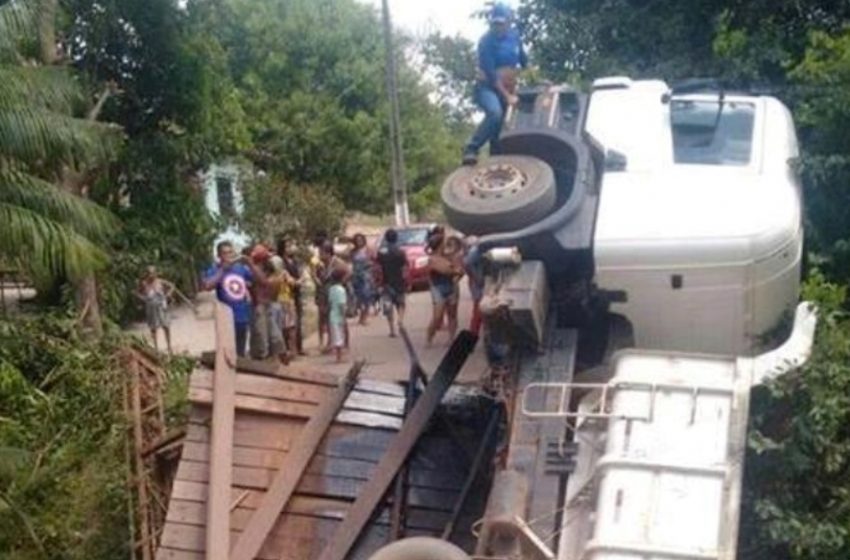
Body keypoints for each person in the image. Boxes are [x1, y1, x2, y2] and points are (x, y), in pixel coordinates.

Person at [462, 2, 528, 166]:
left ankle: (496, 160)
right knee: (495, 113)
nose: (498, 26)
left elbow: (524, 60)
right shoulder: (486, 41)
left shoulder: (515, 37)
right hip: (488, 88)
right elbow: (491, 75)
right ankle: (472, 148)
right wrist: (507, 96)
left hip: (508, 87)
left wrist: (535, 77)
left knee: (499, 130)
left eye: (501, 23)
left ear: (509, 21)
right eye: (495, 23)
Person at [202, 241, 254, 357]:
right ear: (219, 256)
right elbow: (207, 286)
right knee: (227, 352)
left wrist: (250, 263)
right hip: (226, 318)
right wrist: (223, 270)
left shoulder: (240, 268)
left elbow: (255, 280)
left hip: (242, 315)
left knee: (241, 351)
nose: (229, 256)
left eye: (230, 252)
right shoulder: (215, 269)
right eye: (225, 253)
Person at [426, 232, 464, 346]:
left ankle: (451, 338)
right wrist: (455, 270)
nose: (445, 244)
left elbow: (461, 270)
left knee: (452, 314)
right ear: (439, 245)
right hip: (438, 288)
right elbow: (445, 270)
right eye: (443, 243)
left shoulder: (449, 256)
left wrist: (457, 276)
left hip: (451, 287)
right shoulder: (432, 259)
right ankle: (429, 337)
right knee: (437, 316)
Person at [277, 237, 306, 356]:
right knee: (288, 324)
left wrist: (300, 280)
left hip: (296, 293)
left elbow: (301, 274)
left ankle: (298, 348)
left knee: (296, 322)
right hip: (286, 295)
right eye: (288, 246)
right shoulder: (281, 262)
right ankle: (288, 349)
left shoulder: (295, 261)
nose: (291, 248)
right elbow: (289, 279)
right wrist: (299, 280)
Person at [377, 228, 408, 337]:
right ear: (396, 238)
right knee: (401, 303)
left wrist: (378, 283)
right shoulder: (400, 252)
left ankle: (392, 329)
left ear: (386, 238)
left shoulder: (381, 252)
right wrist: (407, 281)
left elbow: (378, 268)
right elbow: (404, 268)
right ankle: (400, 319)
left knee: (388, 306)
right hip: (399, 281)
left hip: (386, 282)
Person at [137, 266, 175, 353]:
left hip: (161, 307)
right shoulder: (144, 284)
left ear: (156, 273)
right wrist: (143, 299)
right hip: (151, 308)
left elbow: (172, 286)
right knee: (153, 328)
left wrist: (168, 294)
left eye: (153, 273)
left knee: (166, 326)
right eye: (149, 273)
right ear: (146, 274)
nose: (151, 275)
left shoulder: (160, 281)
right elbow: (137, 292)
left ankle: (169, 346)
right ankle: (156, 348)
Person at [350, 233, 375, 326]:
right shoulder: (352, 252)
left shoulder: (368, 250)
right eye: (357, 240)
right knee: (358, 297)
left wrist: (369, 265)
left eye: (360, 240)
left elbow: (374, 260)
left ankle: (365, 316)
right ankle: (361, 315)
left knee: (367, 296)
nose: (359, 242)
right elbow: (350, 262)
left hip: (366, 276)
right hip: (356, 276)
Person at [328, 267, 348, 363]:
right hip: (339, 316)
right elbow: (342, 305)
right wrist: (344, 317)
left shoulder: (331, 289)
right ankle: (339, 358)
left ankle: (338, 356)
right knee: (339, 337)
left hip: (332, 315)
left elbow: (330, 302)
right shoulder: (341, 290)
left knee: (336, 337)